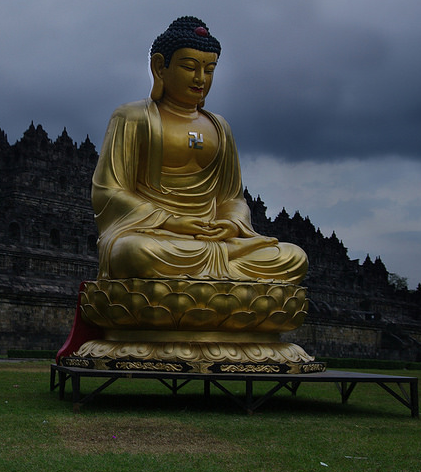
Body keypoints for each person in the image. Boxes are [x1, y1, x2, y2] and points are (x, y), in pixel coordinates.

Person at [92, 16, 307, 284]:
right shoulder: (133, 117)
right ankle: (221, 280)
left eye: (210, 69)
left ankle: (213, 274)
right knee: (135, 253)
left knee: (293, 257)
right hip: (159, 238)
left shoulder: (220, 127)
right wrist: (170, 222)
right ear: (160, 67)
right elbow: (108, 191)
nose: (200, 78)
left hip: (216, 242)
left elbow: (232, 198)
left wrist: (230, 223)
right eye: (189, 67)